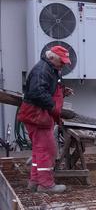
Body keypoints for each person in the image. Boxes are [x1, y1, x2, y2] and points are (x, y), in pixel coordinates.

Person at [17, 46, 73, 193]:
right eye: (62, 61)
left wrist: (63, 92)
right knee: (47, 150)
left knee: (39, 150)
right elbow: (37, 92)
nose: (63, 64)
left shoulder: (51, 69)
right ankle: (46, 185)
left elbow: (48, 88)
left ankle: (35, 182)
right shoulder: (42, 70)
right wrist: (53, 107)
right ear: (52, 57)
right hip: (37, 115)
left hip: (37, 115)